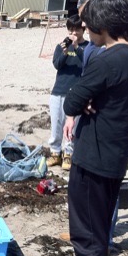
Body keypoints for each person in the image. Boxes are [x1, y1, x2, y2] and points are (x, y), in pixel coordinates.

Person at [42, 0, 128, 256]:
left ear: (103, 25)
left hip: (95, 154)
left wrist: (84, 100)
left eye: (89, 21)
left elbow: (72, 102)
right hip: (116, 152)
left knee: (87, 225)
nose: (85, 25)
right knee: (98, 220)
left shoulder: (106, 58)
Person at [46, 15, 88, 171]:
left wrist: (76, 47)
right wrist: (65, 52)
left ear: (83, 29)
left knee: (72, 126)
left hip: (76, 92)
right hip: (58, 90)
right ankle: (55, 153)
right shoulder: (62, 45)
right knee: (56, 124)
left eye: (77, 29)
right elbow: (57, 65)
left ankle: (68, 154)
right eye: (71, 29)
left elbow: (88, 63)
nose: (74, 32)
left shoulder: (88, 47)